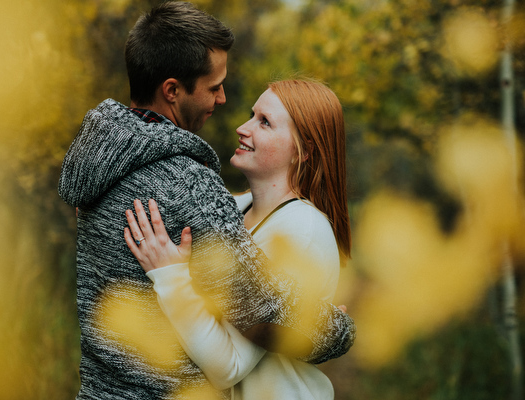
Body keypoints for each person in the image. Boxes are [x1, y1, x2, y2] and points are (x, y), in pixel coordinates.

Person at [58, 2, 355, 399]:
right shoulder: (191, 187)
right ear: (172, 91)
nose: (225, 103)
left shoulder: (99, 168)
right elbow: (263, 311)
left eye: (263, 121)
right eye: (214, 87)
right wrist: (336, 331)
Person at [124, 79, 350, 399]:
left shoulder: (304, 231)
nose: (243, 128)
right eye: (251, 115)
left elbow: (227, 366)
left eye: (265, 122)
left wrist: (170, 276)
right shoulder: (233, 207)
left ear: (304, 151)